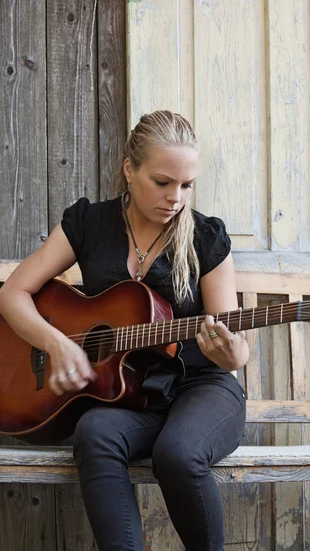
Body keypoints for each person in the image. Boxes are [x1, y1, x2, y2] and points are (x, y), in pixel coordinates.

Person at [0, 110, 249, 551]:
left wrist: (231, 356)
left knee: (178, 453)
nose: (175, 197)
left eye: (186, 185)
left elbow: (232, 343)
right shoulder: (89, 224)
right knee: (94, 432)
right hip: (131, 393)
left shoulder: (206, 238)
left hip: (201, 388)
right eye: (162, 181)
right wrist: (56, 344)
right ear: (129, 171)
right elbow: (14, 292)